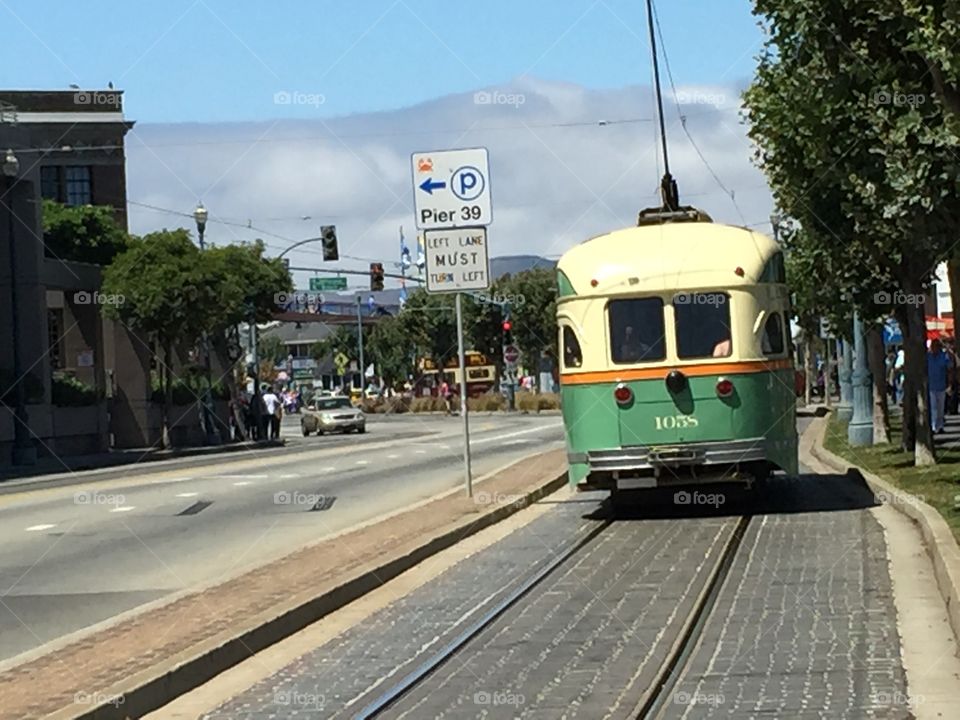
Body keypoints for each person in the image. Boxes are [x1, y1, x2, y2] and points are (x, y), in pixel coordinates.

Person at [927, 338, 950, 434]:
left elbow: (949, 369)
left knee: (940, 408)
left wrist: (950, 384)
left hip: (941, 386)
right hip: (931, 386)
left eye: (937, 346)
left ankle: (940, 426)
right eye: (933, 346)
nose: (935, 348)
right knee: (933, 408)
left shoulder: (944, 356)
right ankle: (933, 427)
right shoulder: (927, 357)